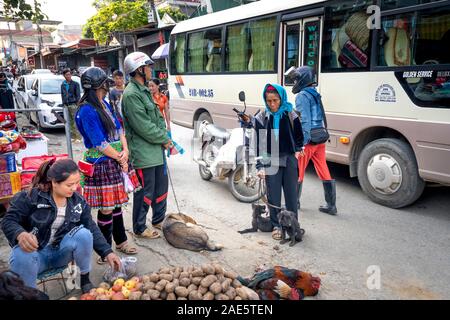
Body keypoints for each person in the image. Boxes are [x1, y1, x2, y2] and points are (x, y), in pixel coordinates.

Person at [0, 159, 122, 293]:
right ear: (54, 182)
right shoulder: (30, 197)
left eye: (76, 183)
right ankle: (29, 293)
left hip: (60, 254)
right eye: (69, 184)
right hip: (35, 257)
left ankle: (85, 279)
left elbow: (91, 227)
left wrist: (107, 252)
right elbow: (8, 220)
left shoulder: (78, 201)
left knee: (84, 234)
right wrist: (20, 234)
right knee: (20, 253)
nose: (74, 188)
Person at [75, 67, 139, 263]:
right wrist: (121, 158)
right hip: (103, 163)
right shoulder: (86, 110)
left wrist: (125, 152)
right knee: (107, 208)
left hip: (115, 160)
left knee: (116, 205)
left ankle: (120, 241)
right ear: (101, 84)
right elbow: (99, 143)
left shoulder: (104, 103)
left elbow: (120, 129)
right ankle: (105, 251)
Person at [121, 52, 172, 239]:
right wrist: (164, 138)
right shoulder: (131, 94)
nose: (151, 69)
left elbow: (156, 118)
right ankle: (140, 227)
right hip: (144, 153)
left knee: (160, 188)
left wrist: (165, 138)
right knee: (145, 192)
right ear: (139, 70)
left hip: (156, 150)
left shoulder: (144, 90)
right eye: (148, 66)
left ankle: (158, 219)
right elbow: (143, 126)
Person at [251, 84, 304, 240]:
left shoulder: (291, 114)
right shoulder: (261, 117)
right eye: (269, 101)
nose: (272, 104)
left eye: (275, 100)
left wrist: (298, 149)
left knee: (291, 196)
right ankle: (276, 226)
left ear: (281, 98)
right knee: (273, 196)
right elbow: (259, 144)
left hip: (289, 159)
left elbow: (299, 136)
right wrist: (260, 166)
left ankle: (293, 225)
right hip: (270, 159)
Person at [291, 66, 337, 215]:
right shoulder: (315, 93)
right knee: (323, 169)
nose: (295, 81)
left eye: (297, 78)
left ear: (303, 79)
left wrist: (302, 143)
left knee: (298, 171)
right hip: (320, 138)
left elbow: (305, 120)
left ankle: (294, 203)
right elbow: (322, 116)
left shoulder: (302, 96)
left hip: (309, 140)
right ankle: (331, 205)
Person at [61, 68, 81, 140]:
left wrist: (77, 104)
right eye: (66, 75)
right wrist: (63, 104)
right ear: (64, 76)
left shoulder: (75, 84)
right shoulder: (63, 84)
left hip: (73, 105)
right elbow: (62, 95)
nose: (68, 76)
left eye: (69, 74)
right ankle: (73, 137)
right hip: (66, 105)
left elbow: (78, 95)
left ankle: (78, 137)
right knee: (69, 122)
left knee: (75, 121)